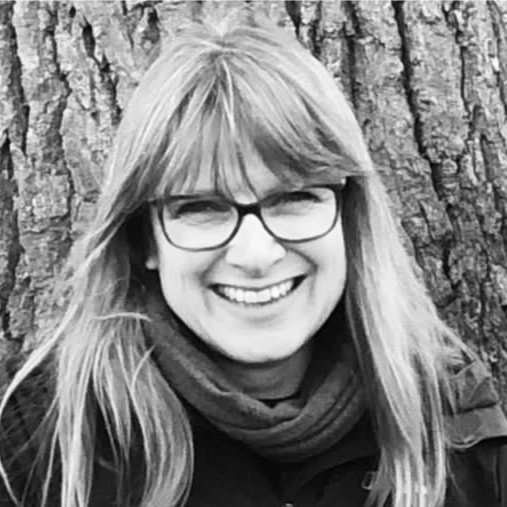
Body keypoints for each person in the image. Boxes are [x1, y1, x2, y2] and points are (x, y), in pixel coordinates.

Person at [0, 10, 506, 507]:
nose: (257, 255)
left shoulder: (450, 415)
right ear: (144, 239)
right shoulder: (42, 439)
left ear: (349, 220)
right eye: (202, 207)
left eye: (295, 198)